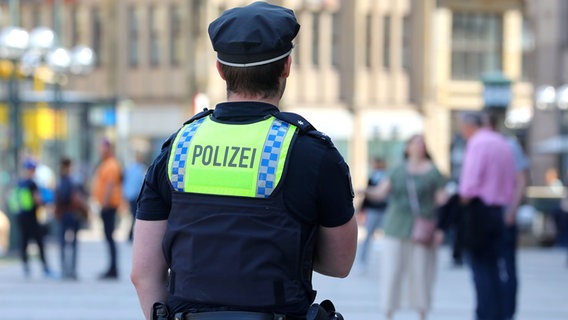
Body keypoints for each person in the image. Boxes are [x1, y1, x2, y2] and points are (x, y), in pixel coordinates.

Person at [130, 2, 358, 319]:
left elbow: (143, 273)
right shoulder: (313, 154)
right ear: (287, 66)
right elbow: (339, 263)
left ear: (221, 70)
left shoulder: (178, 148)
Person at [366, 134, 447, 320]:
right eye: (416, 143)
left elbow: (443, 201)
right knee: (391, 272)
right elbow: (380, 193)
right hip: (396, 227)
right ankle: (388, 312)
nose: (419, 146)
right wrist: (363, 190)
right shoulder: (397, 170)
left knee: (421, 274)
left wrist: (441, 227)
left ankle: (422, 313)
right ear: (407, 148)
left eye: (422, 143)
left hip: (423, 230)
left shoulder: (433, 172)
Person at [457, 111, 516, 320]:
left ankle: (486, 314)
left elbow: (468, 186)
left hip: (480, 211)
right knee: (496, 268)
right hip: (499, 211)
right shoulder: (503, 142)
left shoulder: (477, 143)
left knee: (481, 269)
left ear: (468, 126)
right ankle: (501, 314)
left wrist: (460, 205)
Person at [485, 111, 530, 320]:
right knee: (486, 268)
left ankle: (507, 313)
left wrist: (512, 210)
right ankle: (490, 310)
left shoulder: (509, 146)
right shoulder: (477, 147)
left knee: (507, 267)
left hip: (504, 215)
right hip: (484, 219)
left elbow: (522, 179)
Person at [9, 158, 54, 278]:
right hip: (31, 217)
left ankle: (26, 267)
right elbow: (37, 199)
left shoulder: (20, 183)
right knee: (39, 242)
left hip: (21, 216)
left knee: (24, 241)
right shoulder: (32, 184)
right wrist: (45, 204)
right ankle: (45, 267)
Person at [92, 139, 123, 280]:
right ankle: (111, 267)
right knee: (108, 237)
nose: (100, 150)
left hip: (109, 206)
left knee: (110, 237)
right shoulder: (106, 164)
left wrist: (103, 205)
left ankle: (113, 269)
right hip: (107, 205)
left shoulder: (111, 165)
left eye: (102, 147)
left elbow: (110, 185)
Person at [54, 157, 88, 280]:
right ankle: (71, 270)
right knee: (73, 243)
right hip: (73, 213)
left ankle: (65, 270)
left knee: (63, 243)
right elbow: (84, 195)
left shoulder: (60, 181)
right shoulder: (76, 180)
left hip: (64, 213)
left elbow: (58, 198)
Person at [357, 157, 388, 273]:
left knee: (388, 238)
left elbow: (381, 194)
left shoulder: (386, 178)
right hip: (373, 210)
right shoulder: (372, 177)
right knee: (368, 236)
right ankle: (362, 261)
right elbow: (368, 197)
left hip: (384, 210)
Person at [122, 152, 147, 242]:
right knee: (135, 215)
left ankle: (131, 234)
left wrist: (125, 194)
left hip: (131, 195)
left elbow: (125, 182)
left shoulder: (130, 168)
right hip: (137, 196)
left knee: (134, 215)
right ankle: (131, 234)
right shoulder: (141, 169)